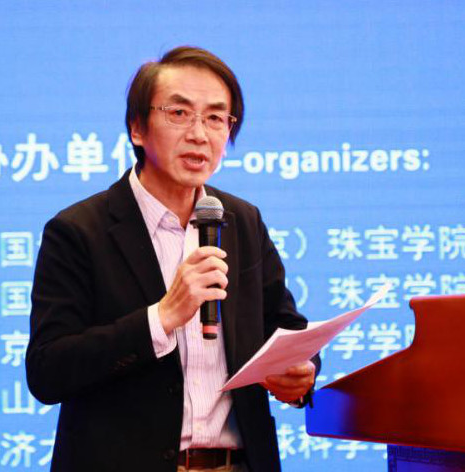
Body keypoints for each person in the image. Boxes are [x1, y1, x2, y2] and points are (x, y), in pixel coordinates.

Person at [26, 45, 320, 472]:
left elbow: (285, 327)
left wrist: (301, 373)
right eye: (179, 113)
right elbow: (47, 371)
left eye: (216, 118)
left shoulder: (242, 220)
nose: (200, 134)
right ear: (137, 128)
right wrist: (161, 317)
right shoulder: (78, 231)